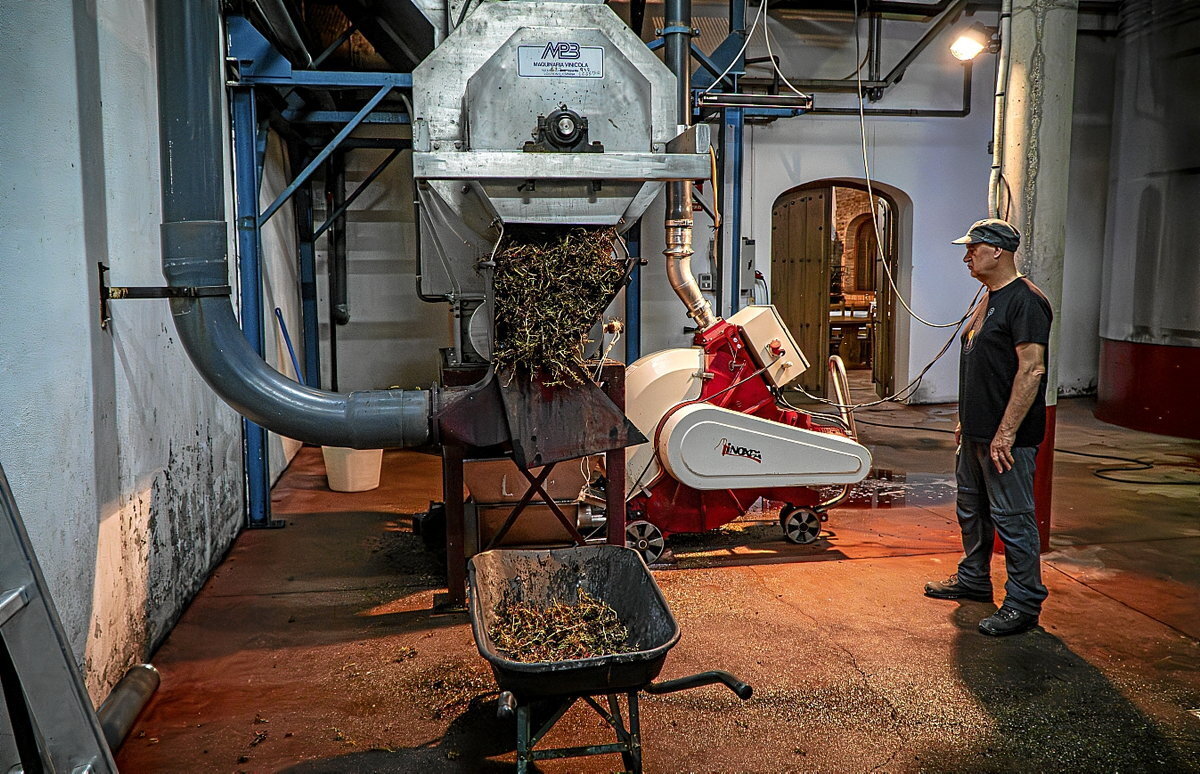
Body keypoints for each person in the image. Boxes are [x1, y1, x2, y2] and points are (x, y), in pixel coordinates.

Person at [923, 218, 1053, 636]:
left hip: (1006, 440)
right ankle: (974, 579)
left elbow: (1031, 370)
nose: (967, 257)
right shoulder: (989, 298)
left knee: (1013, 519)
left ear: (997, 250)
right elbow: (985, 368)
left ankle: (1024, 603)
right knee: (972, 510)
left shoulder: (1026, 301)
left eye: (973, 248)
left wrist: (1007, 433)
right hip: (977, 433)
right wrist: (966, 421)